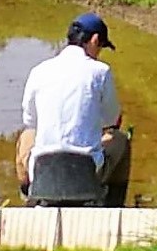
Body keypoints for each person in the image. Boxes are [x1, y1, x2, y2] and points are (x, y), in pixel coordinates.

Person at [15, 11, 132, 207]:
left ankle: (29, 197)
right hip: (87, 170)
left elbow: (30, 120)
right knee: (120, 139)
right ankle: (113, 205)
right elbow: (112, 119)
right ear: (94, 40)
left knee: (26, 136)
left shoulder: (39, 71)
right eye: (101, 47)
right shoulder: (101, 72)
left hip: (43, 169)